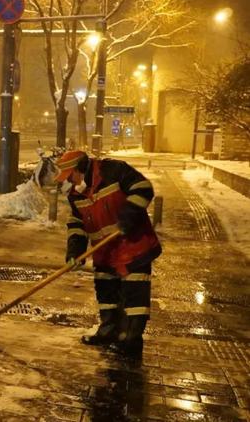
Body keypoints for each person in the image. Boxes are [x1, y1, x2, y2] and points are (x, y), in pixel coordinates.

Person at [54, 150, 161, 359]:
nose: (68, 181)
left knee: (134, 298)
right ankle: (108, 331)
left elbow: (143, 188)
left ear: (80, 169)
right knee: (106, 292)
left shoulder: (114, 171)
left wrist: (128, 217)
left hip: (134, 245)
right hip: (104, 250)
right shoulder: (76, 195)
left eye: (69, 175)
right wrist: (75, 251)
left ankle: (130, 342)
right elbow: (77, 224)